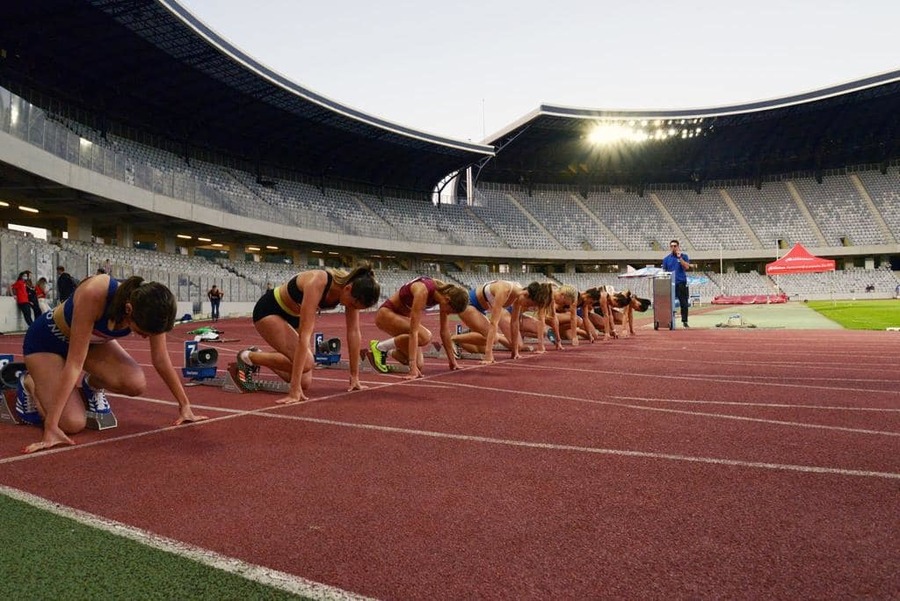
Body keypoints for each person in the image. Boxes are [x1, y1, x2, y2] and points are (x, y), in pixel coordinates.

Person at [19, 274, 207, 453]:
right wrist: (51, 426)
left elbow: (160, 359)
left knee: (135, 383)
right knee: (71, 424)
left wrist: (184, 405)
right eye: (142, 332)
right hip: (46, 344)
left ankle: (91, 386)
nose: (145, 337)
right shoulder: (95, 292)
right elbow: (75, 364)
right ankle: (29, 383)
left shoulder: (155, 308)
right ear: (128, 309)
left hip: (89, 345)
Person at [235, 265, 380, 403]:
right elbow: (305, 335)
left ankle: (257, 355)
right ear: (348, 288)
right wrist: (293, 390)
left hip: (294, 316)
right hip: (270, 310)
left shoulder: (352, 294)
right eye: (353, 305)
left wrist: (354, 376)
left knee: (304, 382)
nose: (351, 308)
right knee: (306, 364)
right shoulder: (318, 281)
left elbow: (354, 332)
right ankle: (246, 357)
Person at [367, 276, 469, 378]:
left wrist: (452, 361)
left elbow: (444, 331)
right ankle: (380, 347)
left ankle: (386, 350)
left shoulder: (443, 297)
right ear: (447, 300)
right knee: (424, 336)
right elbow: (413, 331)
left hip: (401, 318)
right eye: (450, 311)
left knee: (418, 365)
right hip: (386, 314)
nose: (448, 313)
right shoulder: (423, 291)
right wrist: (412, 368)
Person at [452, 280, 555, 361]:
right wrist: (489, 354)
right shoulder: (504, 290)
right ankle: (453, 339)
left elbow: (514, 323)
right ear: (526, 294)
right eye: (529, 304)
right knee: (494, 339)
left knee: (481, 348)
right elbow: (494, 322)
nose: (527, 307)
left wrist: (515, 351)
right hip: (467, 305)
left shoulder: (518, 295)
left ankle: (465, 336)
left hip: (480, 309)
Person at [662, 239, 692, 327]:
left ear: (678, 247)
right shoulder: (666, 259)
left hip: (681, 283)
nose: (673, 248)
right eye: (671, 246)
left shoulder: (684, 256)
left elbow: (686, 267)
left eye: (675, 246)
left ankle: (684, 321)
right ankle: (669, 320)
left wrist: (680, 258)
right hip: (670, 283)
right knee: (668, 303)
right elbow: (664, 272)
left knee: (684, 303)